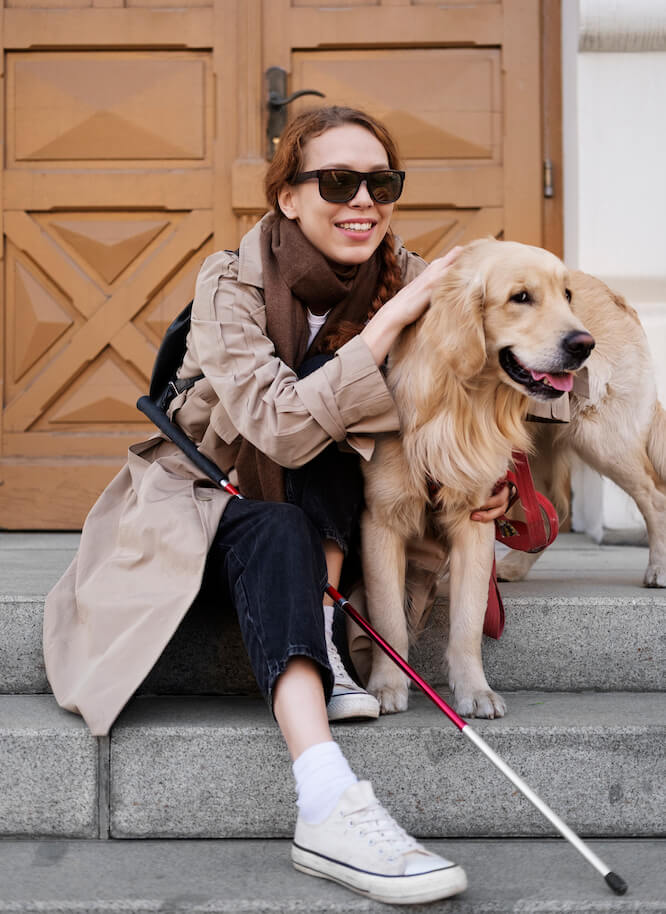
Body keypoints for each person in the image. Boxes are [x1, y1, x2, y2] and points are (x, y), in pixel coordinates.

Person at [43, 105, 510, 905]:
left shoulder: (419, 272)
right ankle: (329, 795)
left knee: (341, 457)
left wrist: (489, 459)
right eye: (337, 180)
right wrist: (395, 322)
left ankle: (324, 662)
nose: (363, 199)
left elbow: (511, 363)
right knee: (307, 453)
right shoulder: (231, 279)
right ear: (287, 197)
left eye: (381, 182)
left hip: (325, 518)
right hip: (209, 510)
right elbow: (281, 427)